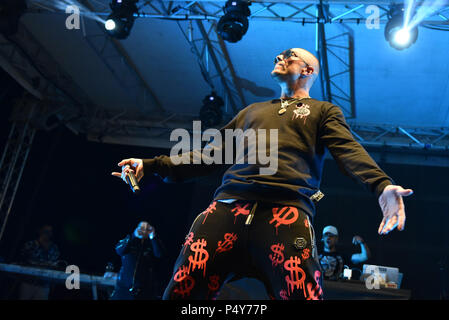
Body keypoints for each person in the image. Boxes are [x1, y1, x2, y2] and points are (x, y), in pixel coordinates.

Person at [112, 48, 413, 300]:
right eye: (278, 56)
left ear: (308, 70)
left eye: (289, 56)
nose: (279, 57)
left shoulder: (323, 111)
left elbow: (348, 149)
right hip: (228, 209)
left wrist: (381, 185)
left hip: (286, 216)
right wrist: (151, 165)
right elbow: (209, 155)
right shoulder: (251, 112)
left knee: (304, 294)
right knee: (183, 291)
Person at [110, 221, 163, 300]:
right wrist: (134, 236)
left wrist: (153, 236)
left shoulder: (151, 244)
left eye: (147, 229)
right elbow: (120, 250)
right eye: (142, 228)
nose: (144, 231)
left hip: (143, 291)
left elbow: (159, 254)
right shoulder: (129, 241)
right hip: (123, 289)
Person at [18, 224, 60, 300]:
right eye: (46, 231)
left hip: (44, 285)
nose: (48, 233)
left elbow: (54, 266)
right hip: (28, 282)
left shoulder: (54, 248)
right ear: (40, 231)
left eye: (50, 231)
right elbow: (22, 260)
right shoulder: (30, 244)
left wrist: (53, 283)